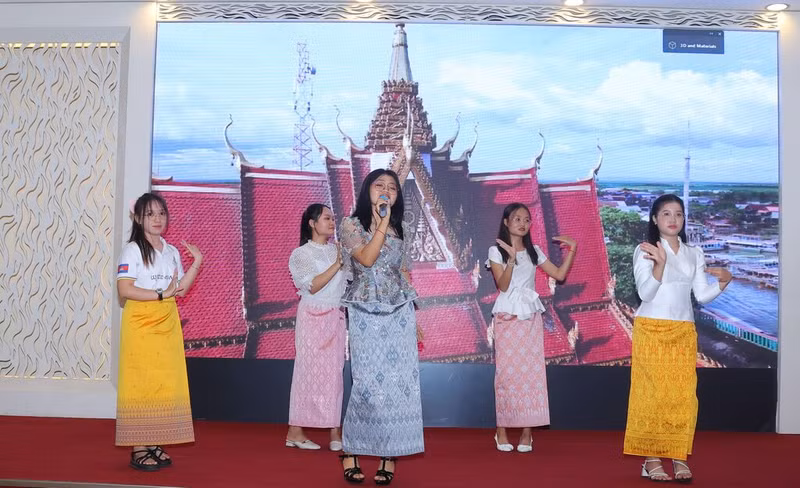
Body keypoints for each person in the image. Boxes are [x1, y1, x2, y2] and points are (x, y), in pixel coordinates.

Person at [623, 194, 732, 483]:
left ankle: (678, 455)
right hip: (651, 329)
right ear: (655, 219)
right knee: (652, 395)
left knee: (682, 396)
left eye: (679, 214)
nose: (673, 220)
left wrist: (722, 283)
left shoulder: (694, 252)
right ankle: (651, 458)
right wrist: (659, 264)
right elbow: (645, 294)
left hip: (683, 330)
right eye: (667, 214)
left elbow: (702, 296)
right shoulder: (645, 250)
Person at [337, 169, 424, 485]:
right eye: (379, 186)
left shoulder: (401, 228)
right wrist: (382, 223)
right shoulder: (351, 225)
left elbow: (403, 271)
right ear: (367, 191)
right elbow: (367, 259)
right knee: (367, 384)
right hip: (365, 311)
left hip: (399, 312)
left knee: (399, 384)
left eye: (393, 188)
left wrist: (414, 320)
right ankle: (352, 449)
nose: (386, 191)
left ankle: (390, 453)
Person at [115, 192, 203, 471]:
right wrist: (160, 294)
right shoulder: (132, 250)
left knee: (164, 381)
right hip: (141, 322)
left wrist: (197, 262)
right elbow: (124, 290)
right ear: (139, 218)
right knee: (141, 382)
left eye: (161, 213)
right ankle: (138, 446)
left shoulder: (171, 250)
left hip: (167, 320)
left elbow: (180, 290)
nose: (157, 219)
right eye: (150, 214)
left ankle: (154, 440)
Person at [486, 202, 576, 453]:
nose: (523, 224)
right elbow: (503, 287)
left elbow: (559, 275)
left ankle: (528, 432)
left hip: (530, 316)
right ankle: (501, 429)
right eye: (517, 219)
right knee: (506, 374)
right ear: (506, 222)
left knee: (532, 373)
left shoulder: (535, 251)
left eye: (526, 219)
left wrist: (572, 250)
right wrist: (512, 260)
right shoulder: (496, 251)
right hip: (506, 315)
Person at [285, 203, 348, 451]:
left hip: (335, 316)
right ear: (312, 223)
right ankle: (295, 432)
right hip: (312, 317)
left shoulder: (338, 250)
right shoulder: (301, 254)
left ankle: (335, 432)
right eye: (326, 218)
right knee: (306, 374)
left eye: (333, 218)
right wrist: (338, 265)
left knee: (335, 375)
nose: (332, 222)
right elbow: (312, 286)